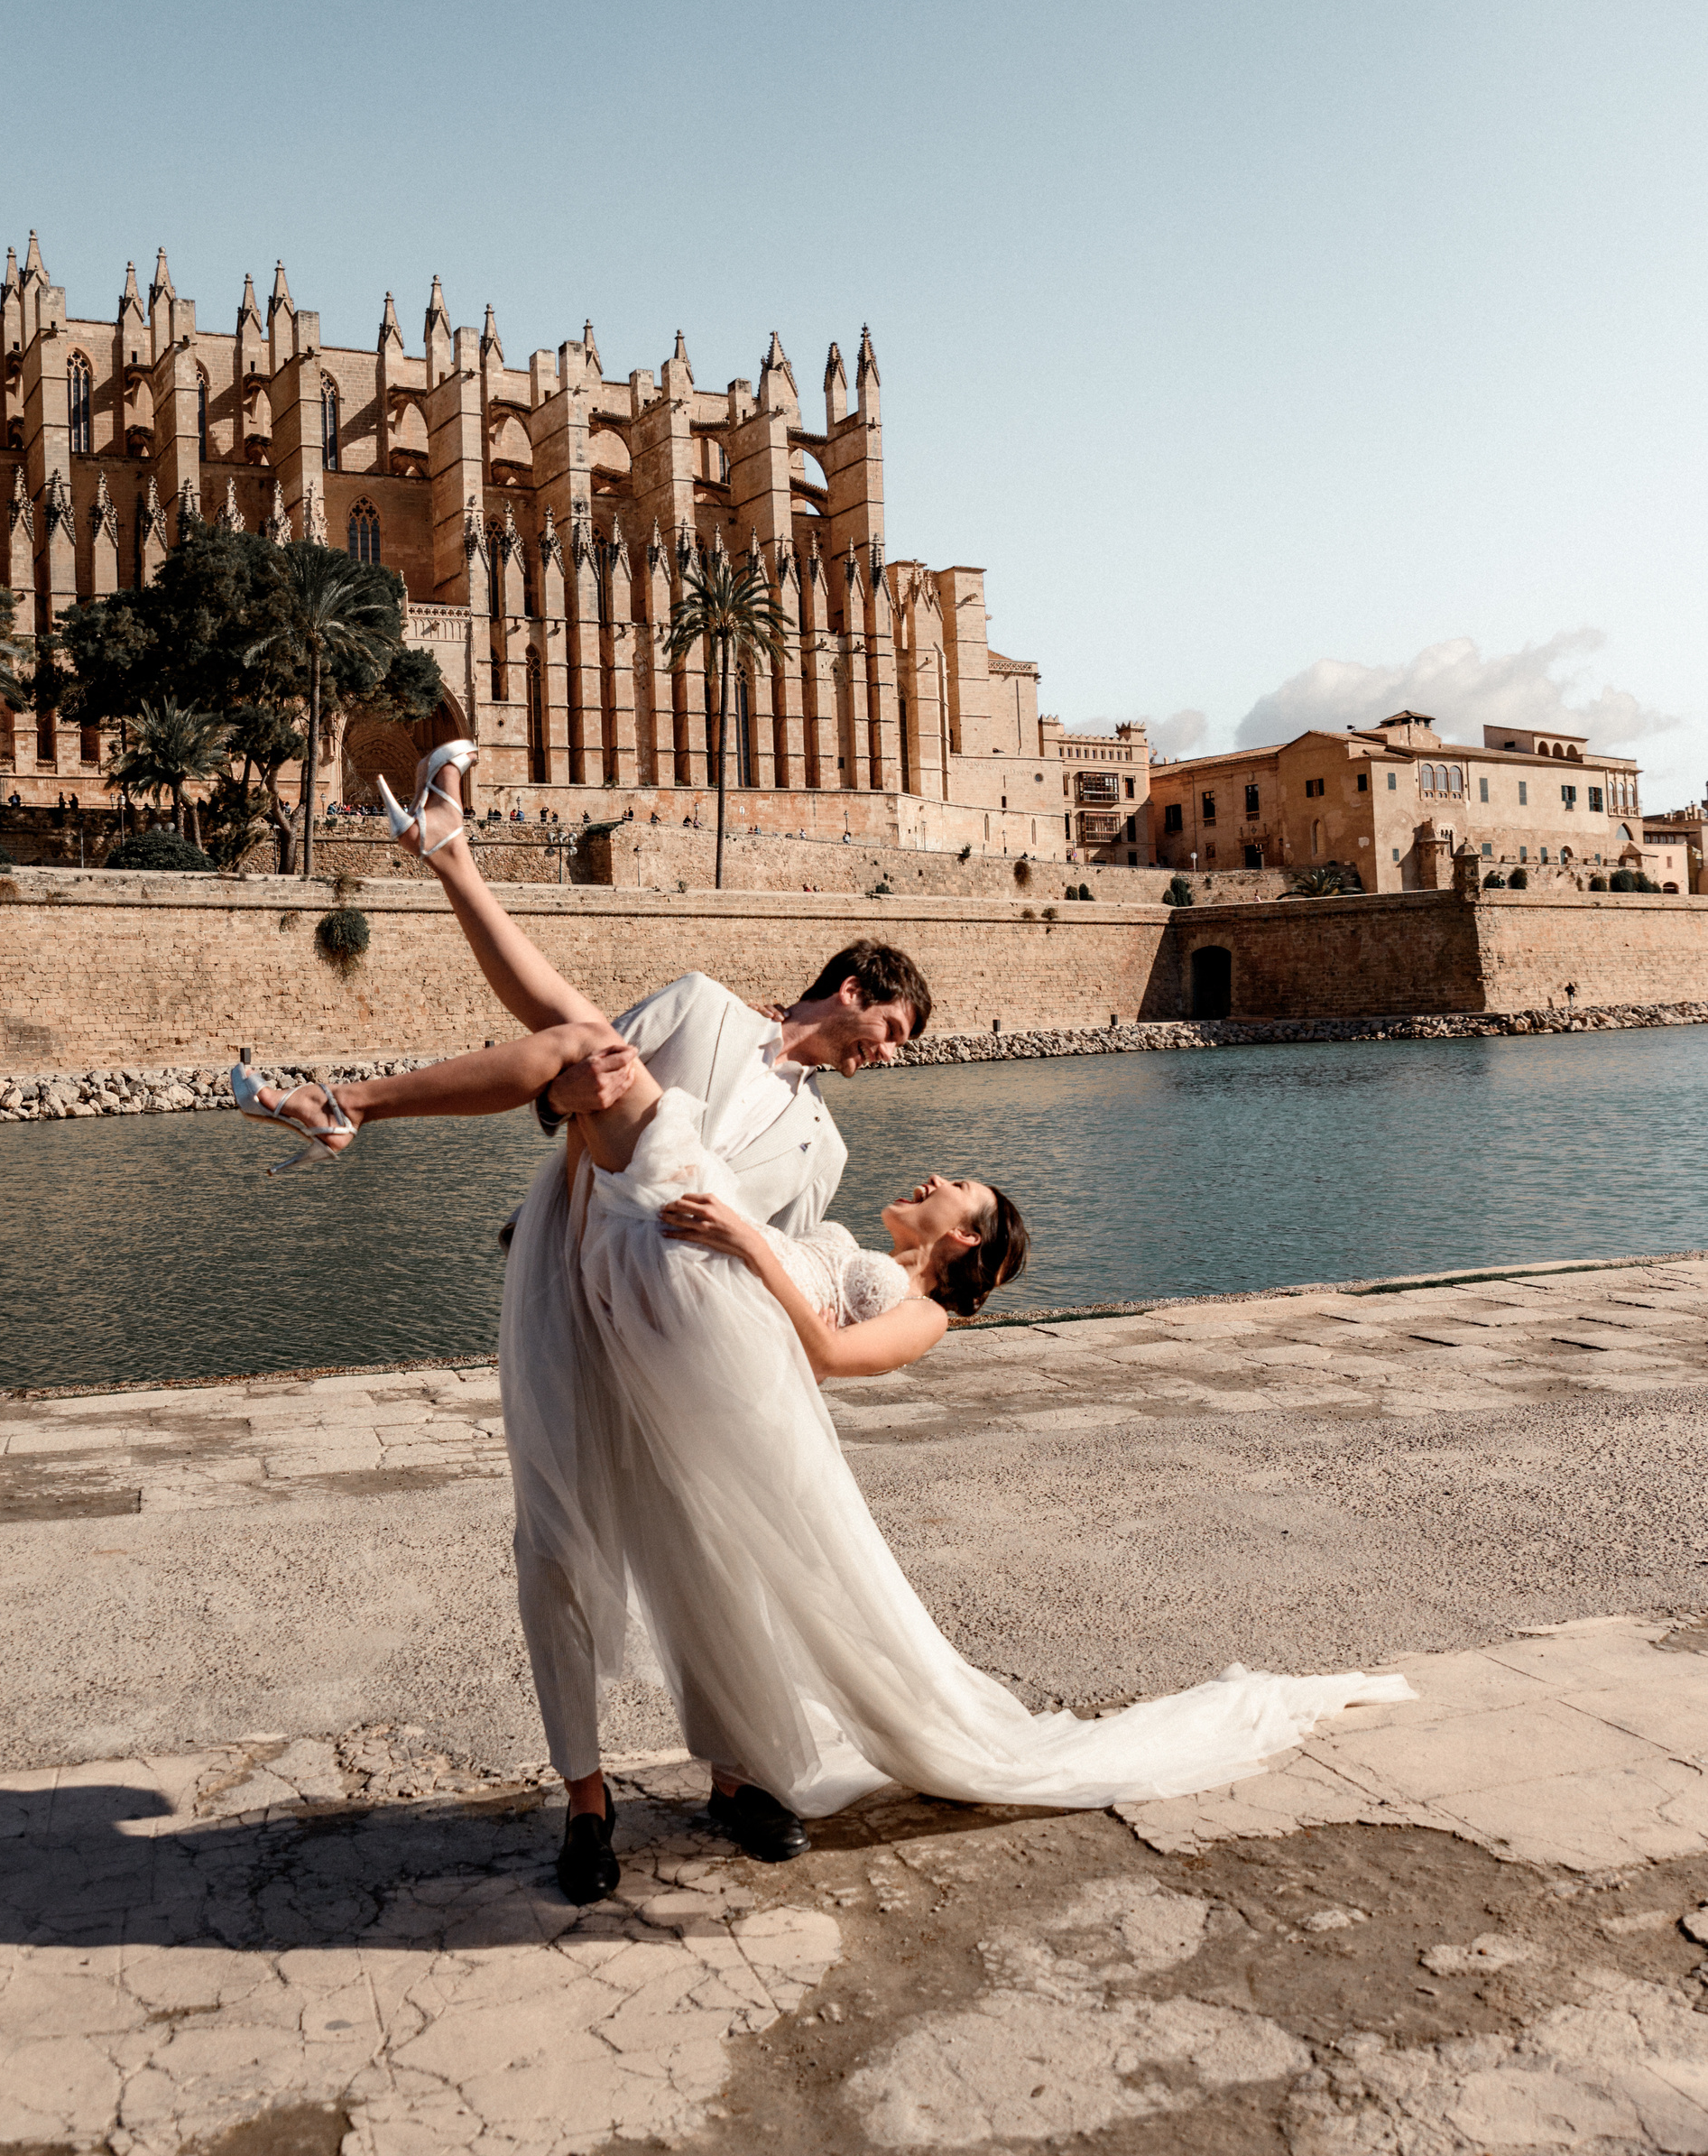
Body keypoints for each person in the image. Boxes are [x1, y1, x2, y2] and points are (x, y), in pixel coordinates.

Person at [236, 745, 1413, 1904]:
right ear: (852, 990)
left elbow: (785, 1300)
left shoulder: (828, 1152)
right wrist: (573, 1156)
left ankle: (737, 1775)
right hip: (583, 1269)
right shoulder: (695, 1009)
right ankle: (584, 1800)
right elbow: (565, 1083)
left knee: (719, 1551)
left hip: (692, 1322)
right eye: (892, 1031)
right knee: (554, 1544)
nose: (886, 1059)